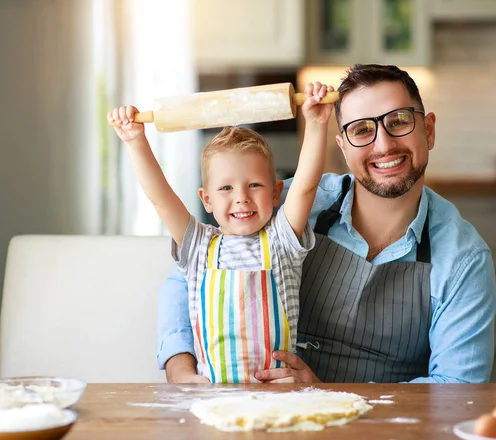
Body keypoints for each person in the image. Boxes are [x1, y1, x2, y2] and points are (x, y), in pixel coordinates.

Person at [157, 64, 496, 384]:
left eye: (399, 121)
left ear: (429, 130)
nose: (384, 144)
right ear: (343, 148)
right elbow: (192, 272)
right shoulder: (290, 203)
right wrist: (180, 367)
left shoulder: (463, 257)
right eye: (362, 129)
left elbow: (456, 389)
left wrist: (326, 394)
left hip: (383, 433)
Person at [109, 82, 335, 383]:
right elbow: (161, 199)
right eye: (226, 188)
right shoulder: (199, 245)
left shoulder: (283, 241)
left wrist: (317, 124)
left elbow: (306, 186)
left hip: (278, 395)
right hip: (211, 399)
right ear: (207, 200)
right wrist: (136, 141)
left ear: (276, 192)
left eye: (254, 184)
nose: (241, 197)